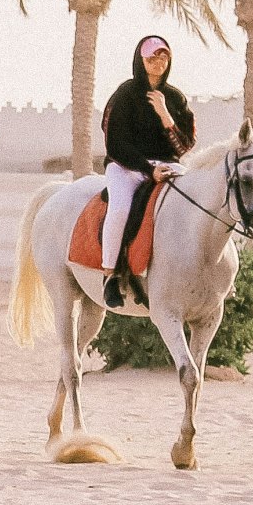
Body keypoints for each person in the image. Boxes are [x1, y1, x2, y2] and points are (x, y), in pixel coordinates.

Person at [99, 34, 193, 308]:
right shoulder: (125, 94)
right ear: (141, 60)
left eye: (163, 56)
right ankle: (110, 275)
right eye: (152, 56)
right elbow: (114, 141)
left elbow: (185, 144)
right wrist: (147, 169)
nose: (158, 62)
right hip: (127, 167)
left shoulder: (175, 98)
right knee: (119, 210)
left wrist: (166, 115)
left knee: (198, 201)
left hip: (169, 165)